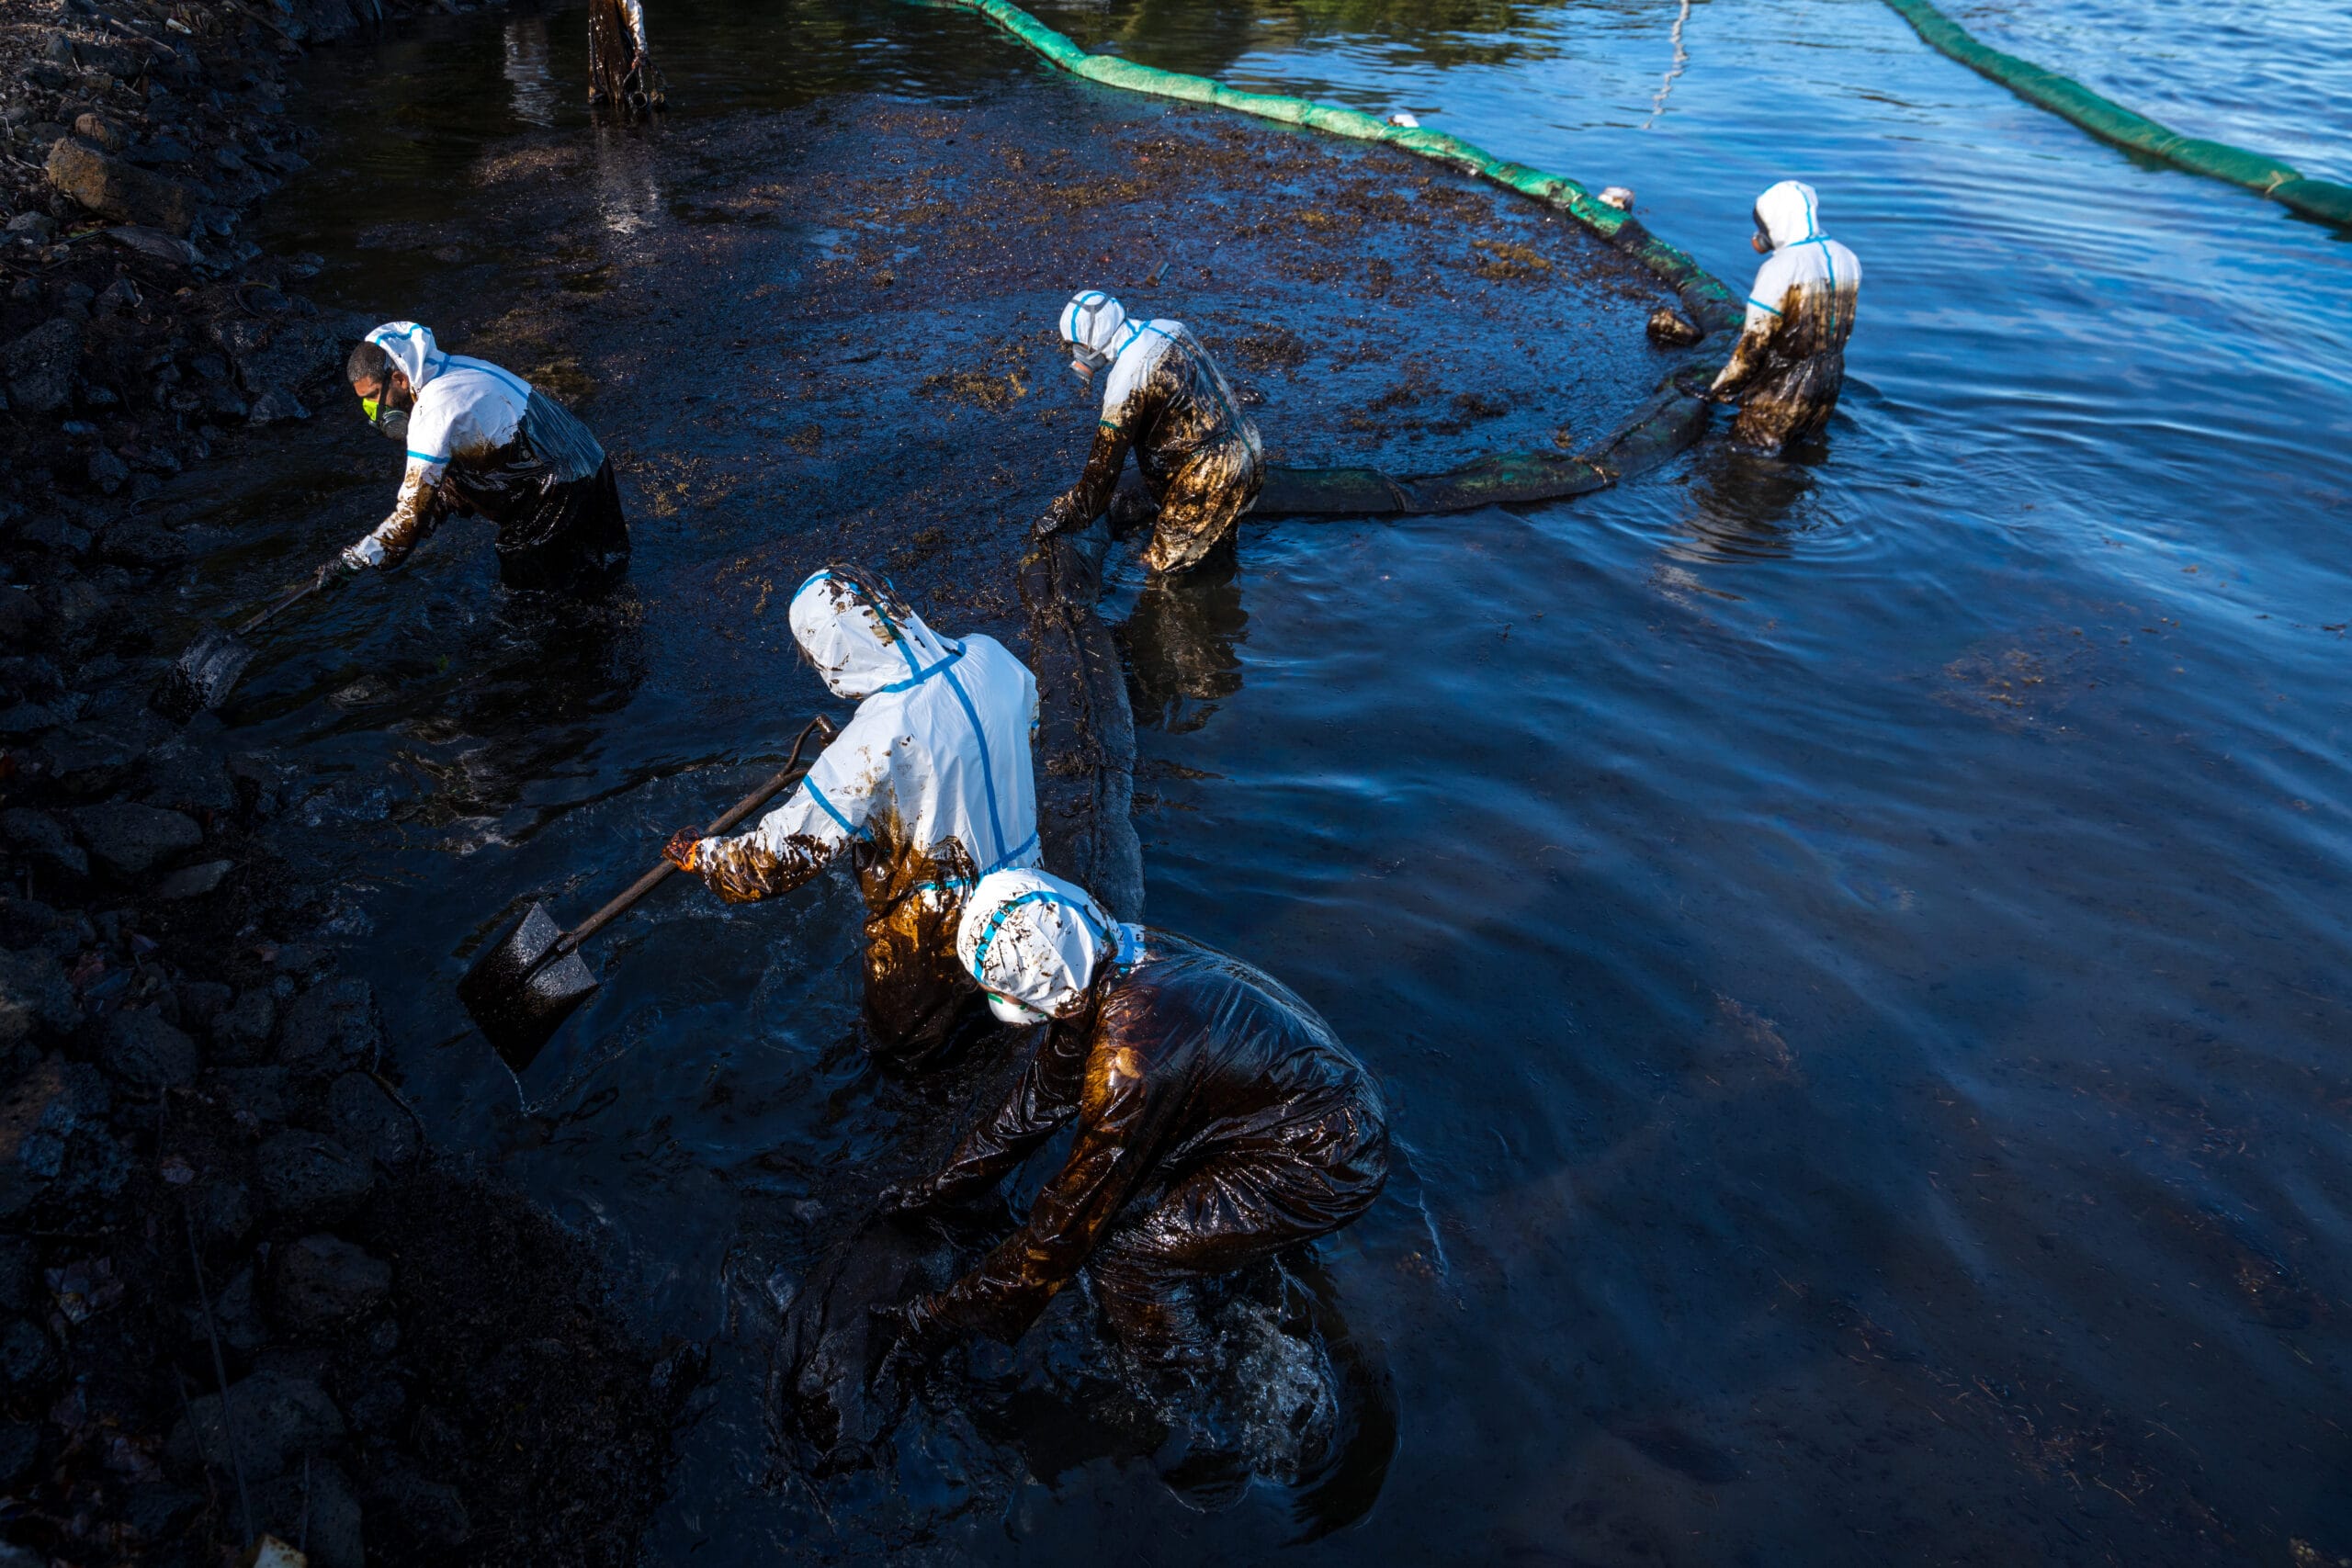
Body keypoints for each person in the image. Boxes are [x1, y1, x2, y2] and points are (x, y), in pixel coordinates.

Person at [874, 868, 1389, 1370]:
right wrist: (934, 1194)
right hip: (1308, 1100)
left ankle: (1184, 1386)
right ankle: (1222, 1259)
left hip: (1325, 1156)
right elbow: (1039, 1102)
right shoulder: (1114, 956)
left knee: (1123, 1259)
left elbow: (1068, 1225)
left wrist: (935, 1319)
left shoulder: (1130, 1059)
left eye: (995, 990)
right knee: (1145, 1195)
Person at [663, 566, 1040, 1066]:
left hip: (929, 927)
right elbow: (1023, 727)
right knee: (999, 1019)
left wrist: (704, 856)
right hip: (1026, 885)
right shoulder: (989, 655)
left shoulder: (877, 733)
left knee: (905, 1056)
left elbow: (780, 858)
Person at [342, 322, 630, 592]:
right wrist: (433, 512)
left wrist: (356, 559)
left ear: (399, 379)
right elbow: (463, 476)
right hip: (591, 458)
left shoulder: (432, 412)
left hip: (559, 488)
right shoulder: (461, 367)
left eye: (374, 395)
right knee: (607, 573)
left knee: (530, 594)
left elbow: (411, 514)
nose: (372, 409)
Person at [1035, 290, 1264, 576]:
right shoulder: (1169, 327)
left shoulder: (1127, 378)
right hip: (1249, 448)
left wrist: (1064, 512)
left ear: (1092, 339)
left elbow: (1104, 469)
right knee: (1218, 547)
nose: (1077, 354)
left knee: (1161, 571)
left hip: (1209, 476)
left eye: (1076, 344)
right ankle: (1228, 602)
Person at [1708, 180, 1861, 455]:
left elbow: (1754, 343)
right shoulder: (1848, 258)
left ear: (1776, 223)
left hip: (1781, 388)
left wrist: (1719, 391)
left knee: (1753, 460)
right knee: (1805, 453)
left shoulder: (1780, 268)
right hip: (1829, 382)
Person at [587, 0, 663, 118]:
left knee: (624, 104)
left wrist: (641, 51)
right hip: (599, 62)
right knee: (601, 104)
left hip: (619, 56)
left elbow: (634, 14)